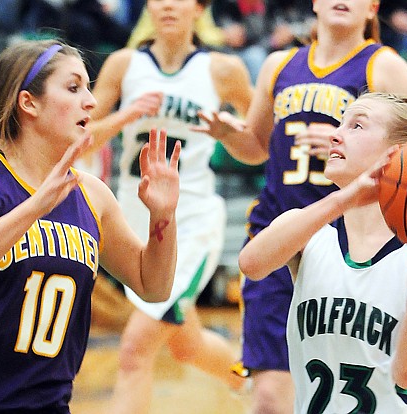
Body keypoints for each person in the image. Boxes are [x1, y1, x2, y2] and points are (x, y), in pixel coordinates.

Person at [0, 39, 181, 412]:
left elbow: (154, 286)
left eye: (88, 86)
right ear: (28, 102)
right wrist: (33, 208)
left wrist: (162, 218)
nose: (91, 101)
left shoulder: (92, 195)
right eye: (73, 87)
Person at [195, 1, 407, 412]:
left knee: (357, 375)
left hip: (348, 242)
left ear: (373, 7)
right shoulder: (278, 64)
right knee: (269, 398)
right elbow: (256, 146)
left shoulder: (383, 66)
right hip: (279, 231)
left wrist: (350, 148)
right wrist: (228, 136)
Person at [237, 91, 407, 414]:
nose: (335, 134)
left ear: (396, 153)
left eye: (356, 126)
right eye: (341, 122)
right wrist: (345, 199)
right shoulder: (309, 230)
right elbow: (252, 263)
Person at [89, 0, 253, 411]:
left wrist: (230, 135)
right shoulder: (125, 65)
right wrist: (125, 117)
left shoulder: (222, 70)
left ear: (199, 8)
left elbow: (261, 142)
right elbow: (81, 135)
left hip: (191, 220)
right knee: (187, 346)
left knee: (135, 349)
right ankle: (255, 384)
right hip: (131, 218)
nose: (167, 5)